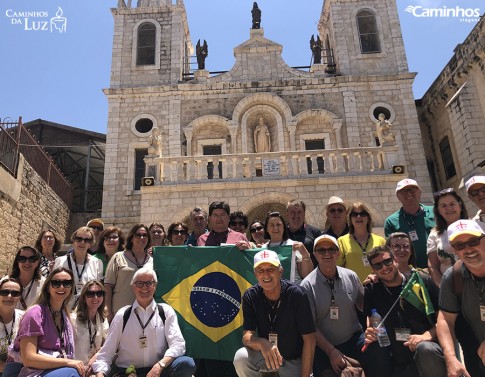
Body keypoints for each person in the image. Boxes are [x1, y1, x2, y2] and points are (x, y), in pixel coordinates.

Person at [301, 235, 384, 377]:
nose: (327, 253)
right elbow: (310, 327)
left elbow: (364, 306)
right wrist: (331, 351)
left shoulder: (351, 276)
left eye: (331, 249)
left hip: (354, 339)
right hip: (324, 346)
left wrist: (371, 286)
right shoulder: (307, 286)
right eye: (321, 250)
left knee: (378, 349)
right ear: (315, 254)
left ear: (338, 253)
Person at [92, 268, 196, 377]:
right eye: (139, 284)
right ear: (133, 287)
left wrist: (160, 365)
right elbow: (106, 354)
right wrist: (100, 374)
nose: (144, 287)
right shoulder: (122, 315)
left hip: (158, 371)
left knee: (187, 363)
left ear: (155, 286)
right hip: (129, 373)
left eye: (149, 283)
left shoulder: (165, 312)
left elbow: (178, 344)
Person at [363, 246, 445, 377]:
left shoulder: (420, 281)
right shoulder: (371, 290)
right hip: (398, 360)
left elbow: (445, 317)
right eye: (378, 265)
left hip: (426, 352)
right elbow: (372, 321)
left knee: (425, 349)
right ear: (373, 270)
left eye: (387, 261)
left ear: (395, 259)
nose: (384, 267)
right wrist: (370, 331)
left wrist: (427, 336)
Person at [233, 250, 316, 377]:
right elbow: (247, 337)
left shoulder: (297, 294)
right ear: (255, 274)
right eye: (260, 270)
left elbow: (309, 339)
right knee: (241, 357)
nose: (266, 275)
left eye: (271, 269)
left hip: (293, 359)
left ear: (280, 271)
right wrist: (262, 343)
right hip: (267, 356)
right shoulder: (251, 296)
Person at [6, 268, 85, 377]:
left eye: (67, 283)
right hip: (32, 372)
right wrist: (67, 362)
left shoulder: (64, 316)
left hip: (56, 371)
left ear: (72, 288)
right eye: (56, 283)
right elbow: (28, 359)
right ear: (48, 287)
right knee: (73, 373)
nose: (61, 286)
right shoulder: (35, 313)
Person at [437, 219, 485, 377]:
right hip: (477, 353)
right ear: (454, 250)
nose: (468, 249)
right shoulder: (453, 277)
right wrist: (451, 358)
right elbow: (445, 319)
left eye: (473, 241)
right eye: (460, 245)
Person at [104, 224, 153, 323]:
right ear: (131, 238)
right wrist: (108, 312)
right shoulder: (118, 257)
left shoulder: (152, 261)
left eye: (145, 235)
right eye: (138, 235)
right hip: (120, 313)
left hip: (144, 314)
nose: (141, 238)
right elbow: (108, 286)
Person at [384, 178, 435, 269]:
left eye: (412, 189)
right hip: (411, 272)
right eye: (403, 191)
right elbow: (392, 251)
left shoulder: (435, 212)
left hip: (439, 268)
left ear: (419, 192)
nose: (408, 193)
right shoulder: (391, 222)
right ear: (398, 196)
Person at [54, 227, 103, 309]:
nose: (82, 242)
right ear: (73, 241)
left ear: (90, 244)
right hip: (64, 309)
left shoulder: (97, 263)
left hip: (87, 310)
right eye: (79, 239)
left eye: (87, 240)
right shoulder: (60, 261)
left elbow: (98, 288)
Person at [427, 188, 468, 286]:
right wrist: (444, 289)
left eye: (452, 204)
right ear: (438, 210)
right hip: (450, 287)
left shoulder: (474, 226)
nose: (449, 208)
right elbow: (433, 266)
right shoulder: (434, 235)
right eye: (443, 206)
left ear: (460, 205)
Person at [337, 202, 386, 282]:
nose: (358, 217)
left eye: (362, 214)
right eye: (354, 214)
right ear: (350, 219)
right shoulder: (341, 241)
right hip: (352, 288)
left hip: (377, 286)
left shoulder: (380, 240)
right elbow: (338, 268)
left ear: (368, 218)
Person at [262, 212, 313, 284]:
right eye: (271, 225)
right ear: (266, 229)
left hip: (293, 292)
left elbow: (307, 275)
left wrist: (305, 254)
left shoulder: (294, 246)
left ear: (284, 227)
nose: (275, 228)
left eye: (278, 224)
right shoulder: (262, 250)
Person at [71, 280, 108, 375]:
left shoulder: (102, 318)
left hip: (94, 367)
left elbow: (107, 345)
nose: (95, 297)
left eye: (99, 293)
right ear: (84, 297)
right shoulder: (73, 319)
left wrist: (94, 359)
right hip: (75, 369)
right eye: (90, 294)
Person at [285, 199, 322, 267]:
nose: (296, 215)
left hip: (310, 276)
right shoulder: (281, 233)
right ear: (286, 214)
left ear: (304, 214)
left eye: (299, 212)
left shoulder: (315, 232)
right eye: (292, 212)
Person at [8, 246, 45, 310]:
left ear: (37, 262)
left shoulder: (44, 284)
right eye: (22, 259)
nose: (27, 262)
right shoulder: (5, 282)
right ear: (17, 261)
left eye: (32, 259)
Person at [0, 277, 24, 376]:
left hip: (19, 371)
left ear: (19, 297)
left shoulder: (25, 317)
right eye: (4, 292)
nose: (9, 296)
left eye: (15, 293)